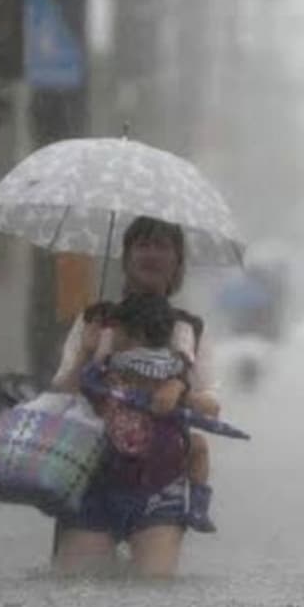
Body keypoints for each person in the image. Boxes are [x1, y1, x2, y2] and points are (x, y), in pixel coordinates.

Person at [50, 216, 218, 577]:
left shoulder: (188, 329)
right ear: (126, 257)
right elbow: (60, 395)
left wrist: (179, 390)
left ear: (177, 262)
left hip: (160, 482)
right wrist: (86, 353)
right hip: (91, 477)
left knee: (153, 587)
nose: (152, 255)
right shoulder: (95, 320)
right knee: (75, 588)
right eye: (143, 245)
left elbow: (211, 407)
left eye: (163, 247)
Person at [78, 293, 220, 532]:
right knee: (199, 446)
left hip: (117, 447)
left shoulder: (117, 363)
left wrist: (93, 357)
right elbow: (208, 407)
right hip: (161, 450)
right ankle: (197, 507)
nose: (113, 336)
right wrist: (179, 386)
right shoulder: (172, 364)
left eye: (117, 330)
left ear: (135, 333)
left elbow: (88, 384)